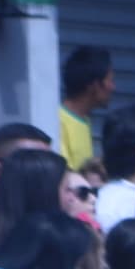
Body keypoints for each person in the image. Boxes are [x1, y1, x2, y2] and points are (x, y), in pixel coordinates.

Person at [55, 45, 115, 173]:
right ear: (94, 86)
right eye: (109, 81)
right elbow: (64, 174)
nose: (113, 87)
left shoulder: (84, 120)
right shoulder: (59, 121)